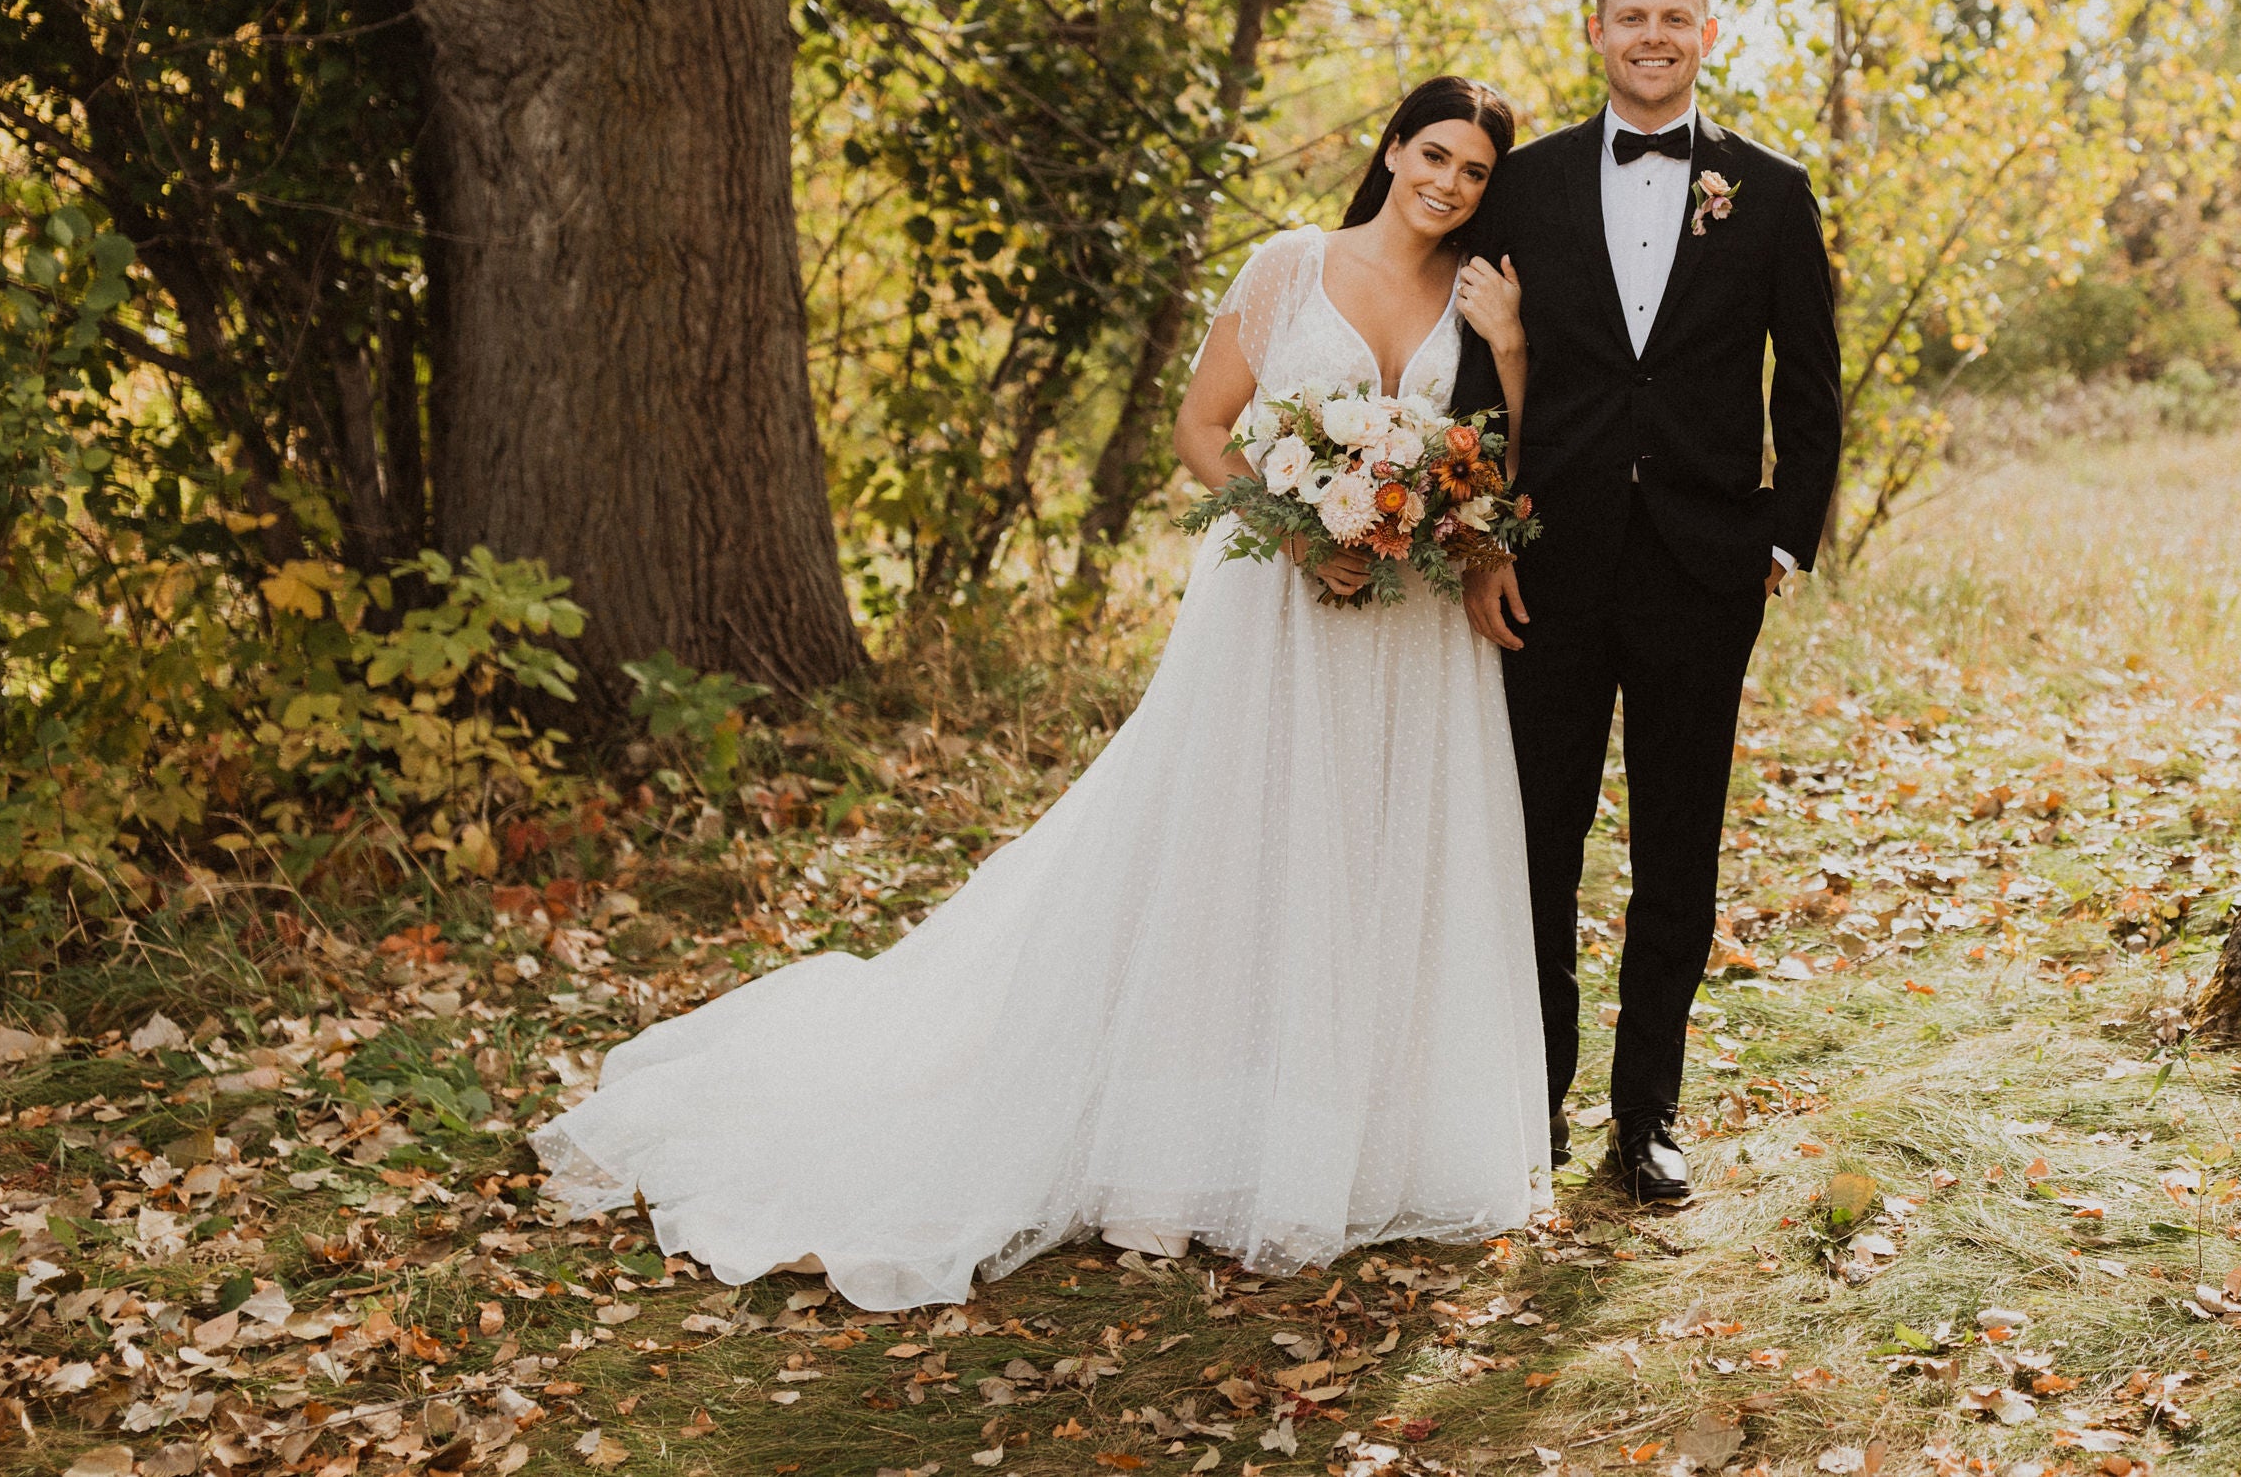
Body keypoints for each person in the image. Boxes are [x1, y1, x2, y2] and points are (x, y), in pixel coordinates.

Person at [533, 78, 1551, 1309]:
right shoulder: (1292, 262)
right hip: (1280, 610)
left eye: (1476, 171)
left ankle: (1347, 1136)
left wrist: (1505, 351)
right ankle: (1194, 1133)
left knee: (1378, 855)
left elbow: (1488, 465)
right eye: (1433, 152)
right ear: (1393, 148)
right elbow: (1201, 427)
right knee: (1235, 852)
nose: (1448, 181)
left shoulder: (1479, 298)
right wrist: (1293, 532)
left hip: (1407, 633)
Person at [1452, 0, 1842, 1205]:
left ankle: (1648, 1115)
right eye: (1633, 17)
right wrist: (1478, 538)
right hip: (1547, 568)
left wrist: (1782, 539)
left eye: (1677, 17)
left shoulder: (1771, 192)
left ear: (1710, 34)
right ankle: (1532, 1101)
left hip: (1702, 570)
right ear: (1597, 31)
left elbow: (1814, 389)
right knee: (1538, 845)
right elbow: (1476, 377)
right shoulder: (1528, 185)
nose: (1654, 35)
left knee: (1678, 847)